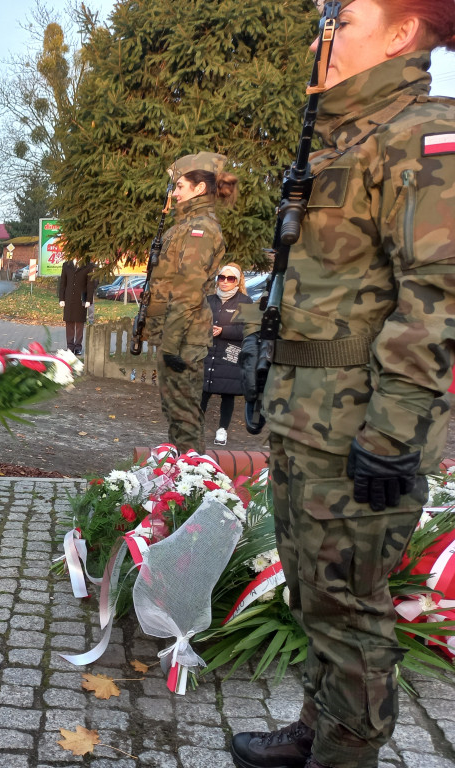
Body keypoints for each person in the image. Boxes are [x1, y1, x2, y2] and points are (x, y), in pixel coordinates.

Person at [230, 3, 455, 768]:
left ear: (401, 34)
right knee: (311, 597)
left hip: (358, 431)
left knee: (350, 612)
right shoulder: (347, 139)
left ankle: (344, 756)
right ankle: (316, 731)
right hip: (308, 422)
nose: (320, 37)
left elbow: (437, 299)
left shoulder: (423, 136)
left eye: (345, 18)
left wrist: (393, 435)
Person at [145, 152, 237, 454]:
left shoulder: (201, 229)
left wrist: (171, 344)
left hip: (183, 340)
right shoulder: (184, 226)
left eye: (180, 186)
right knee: (176, 416)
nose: (175, 193)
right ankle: (180, 485)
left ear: (199, 189)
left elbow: (188, 289)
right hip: (177, 337)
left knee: (185, 421)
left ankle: (193, 491)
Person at [201, 263, 251, 447]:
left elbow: (247, 330)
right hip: (208, 351)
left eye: (230, 279)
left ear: (237, 282)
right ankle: (196, 427)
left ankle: (222, 429)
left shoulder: (245, 302)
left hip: (230, 353)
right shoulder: (209, 300)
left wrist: (223, 330)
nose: (225, 282)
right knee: (202, 391)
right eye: (222, 277)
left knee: (227, 393)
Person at [57, 257, 97, 355]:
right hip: (69, 297)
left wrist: (89, 299)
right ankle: (70, 346)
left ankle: (78, 347)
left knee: (80, 323)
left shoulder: (88, 265)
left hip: (81, 298)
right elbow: (63, 283)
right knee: (69, 322)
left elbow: (90, 284)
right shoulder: (66, 265)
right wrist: (61, 298)